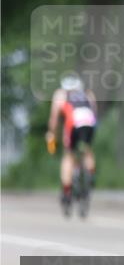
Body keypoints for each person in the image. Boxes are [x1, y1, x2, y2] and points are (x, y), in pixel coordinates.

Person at [46, 73, 97, 216]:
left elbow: (54, 118)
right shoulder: (87, 93)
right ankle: (91, 173)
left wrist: (51, 134)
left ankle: (67, 190)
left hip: (73, 123)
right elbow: (94, 112)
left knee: (68, 155)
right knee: (87, 149)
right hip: (88, 122)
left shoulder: (61, 94)